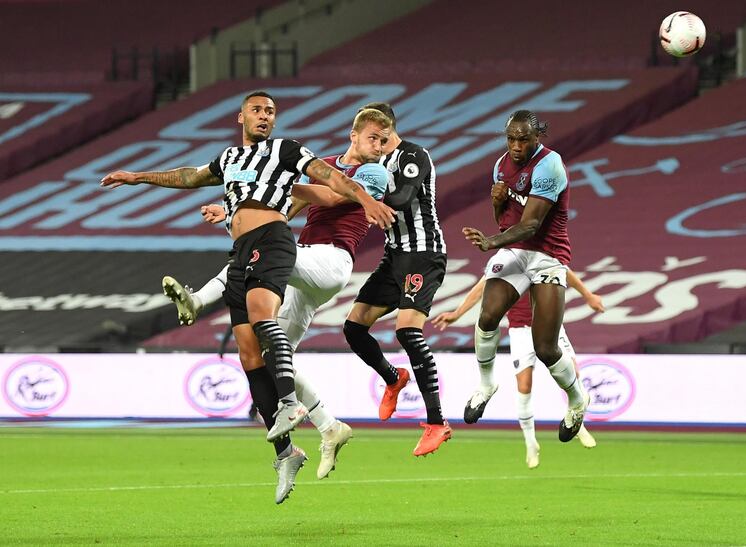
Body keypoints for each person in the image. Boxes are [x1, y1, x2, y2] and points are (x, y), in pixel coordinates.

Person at [101, 91, 395, 504]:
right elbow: (189, 176)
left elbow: (330, 189)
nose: (264, 116)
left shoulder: (296, 154)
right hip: (276, 256)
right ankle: (315, 434)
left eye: (270, 111)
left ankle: (201, 303)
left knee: (261, 302)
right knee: (259, 353)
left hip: (320, 258)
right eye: (257, 110)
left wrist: (359, 197)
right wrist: (139, 178)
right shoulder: (234, 161)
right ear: (240, 116)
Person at [462, 109, 588, 443]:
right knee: (488, 315)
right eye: (511, 139)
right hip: (516, 249)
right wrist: (497, 203)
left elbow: (532, 223)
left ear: (537, 137)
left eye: (523, 139)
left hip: (548, 256)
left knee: (545, 348)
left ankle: (577, 400)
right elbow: (506, 221)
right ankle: (486, 384)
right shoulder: (501, 164)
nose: (516, 146)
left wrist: (490, 243)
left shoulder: (549, 165)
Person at [341, 102, 450, 457]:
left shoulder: (412, 155)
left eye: (379, 131)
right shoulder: (370, 164)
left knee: (407, 330)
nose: (376, 137)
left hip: (424, 253)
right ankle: (393, 377)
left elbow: (402, 198)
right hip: (394, 257)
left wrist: (364, 194)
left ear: (387, 126)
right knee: (354, 327)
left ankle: (436, 422)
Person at [432, 273, 603, 468]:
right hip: (520, 330)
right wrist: (457, 313)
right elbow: (481, 288)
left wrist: (588, 295)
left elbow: (566, 273)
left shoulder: (542, 257)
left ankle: (577, 422)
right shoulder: (508, 262)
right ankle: (531, 443)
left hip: (549, 323)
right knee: (524, 385)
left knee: (574, 374)